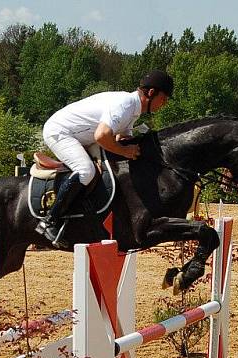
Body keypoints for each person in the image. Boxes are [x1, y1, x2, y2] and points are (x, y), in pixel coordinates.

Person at [36, 70, 174, 246]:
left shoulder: (133, 110)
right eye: (164, 98)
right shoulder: (125, 104)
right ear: (151, 93)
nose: (165, 103)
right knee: (86, 171)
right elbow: (102, 136)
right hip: (61, 132)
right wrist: (126, 152)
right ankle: (50, 220)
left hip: (83, 135)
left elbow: (120, 138)